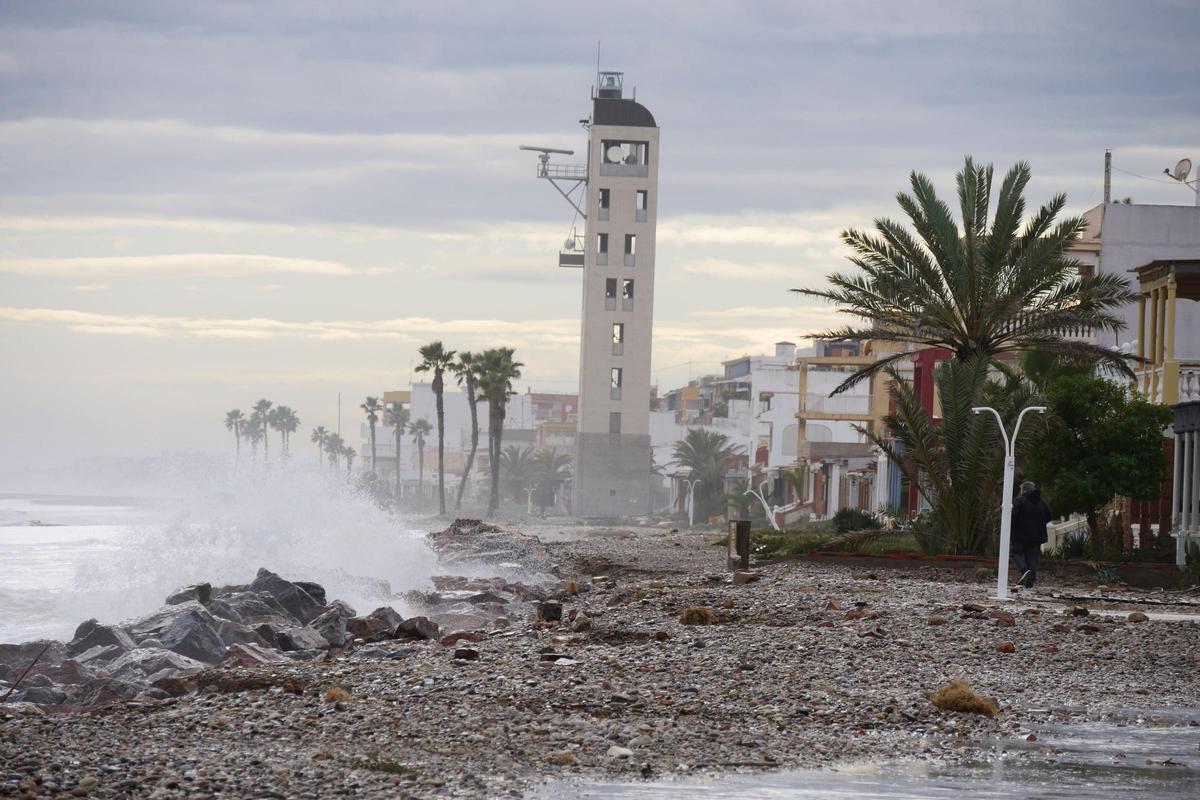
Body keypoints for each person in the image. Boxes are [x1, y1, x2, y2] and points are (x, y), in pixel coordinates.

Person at [1011, 480, 1051, 588]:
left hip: (1021, 535)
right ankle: (1030, 581)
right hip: (1037, 536)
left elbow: (1013, 516)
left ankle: (1024, 570)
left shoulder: (1019, 501)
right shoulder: (1042, 502)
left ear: (1024, 490)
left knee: (1015, 553)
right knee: (1032, 558)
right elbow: (1048, 517)